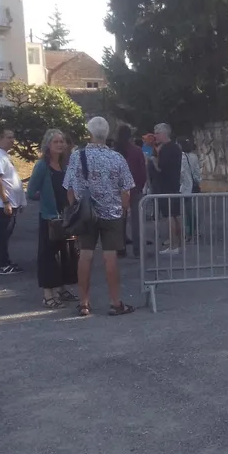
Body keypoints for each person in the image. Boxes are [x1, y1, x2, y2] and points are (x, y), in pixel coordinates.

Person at [64, 116, 136, 317]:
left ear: (89, 134)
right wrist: (123, 210)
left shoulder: (77, 157)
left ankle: (84, 303)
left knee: (85, 255)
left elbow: (69, 188)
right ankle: (116, 302)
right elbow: (126, 190)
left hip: (86, 214)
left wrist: (74, 208)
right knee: (110, 256)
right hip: (111, 213)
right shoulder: (117, 158)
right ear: (107, 135)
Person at [28, 129, 80, 309]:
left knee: (65, 254)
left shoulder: (65, 165)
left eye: (62, 141)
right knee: (47, 255)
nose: (60, 144)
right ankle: (47, 294)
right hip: (50, 218)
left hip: (66, 216)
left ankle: (61, 288)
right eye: (56, 141)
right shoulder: (42, 166)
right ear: (48, 145)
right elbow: (31, 191)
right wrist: (46, 200)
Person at [0, 128, 26, 276]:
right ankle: (2, 264)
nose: (12, 140)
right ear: (0, 138)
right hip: (1, 203)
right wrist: (6, 201)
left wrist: (18, 201)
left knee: (5, 234)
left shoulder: (3, 155)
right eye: (8, 137)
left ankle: (5, 261)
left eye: (13, 137)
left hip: (9, 202)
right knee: (2, 235)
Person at [150, 122, 183, 254]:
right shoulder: (176, 148)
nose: (155, 136)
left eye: (157, 133)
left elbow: (160, 168)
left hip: (165, 186)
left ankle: (173, 245)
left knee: (169, 215)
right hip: (175, 184)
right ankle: (179, 243)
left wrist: (153, 160)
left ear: (164, 133)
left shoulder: (165, 149)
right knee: (176, 215)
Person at [115, 124, 148, 252]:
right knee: (137, 220)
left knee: (119, 218)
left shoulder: (114, 151)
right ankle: (138, 248)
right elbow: (142, 171)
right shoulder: (136, 151)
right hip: (134, 187)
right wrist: (140, 185)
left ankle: (120, 247)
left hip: (118, 189)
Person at [179, 136, 202, 242]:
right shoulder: (194, 156)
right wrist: (197, 181)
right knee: (191, 211)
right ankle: (193, 231)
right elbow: (197, 172)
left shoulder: (181, 157)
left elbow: (181, 173)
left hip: (183, 187)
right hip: (192, 186)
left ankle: (188, 233)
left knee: (184, 211)